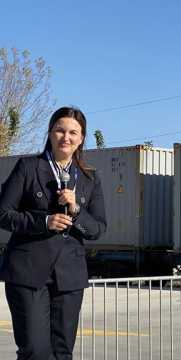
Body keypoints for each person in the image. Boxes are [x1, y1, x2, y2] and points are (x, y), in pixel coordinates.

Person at [0, 106, 107, 360]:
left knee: (62, 352)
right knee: (36, 351)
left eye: (73, 132)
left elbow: (98, 229)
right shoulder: (27, 168)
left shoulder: (90, 178)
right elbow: (3, 213)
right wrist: (44, 221)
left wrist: (76, 209)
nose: (65, 137)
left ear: (81, 138)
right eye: (60, 130)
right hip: (28, 273)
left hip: (69, 277)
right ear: (50, 133)